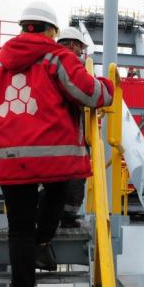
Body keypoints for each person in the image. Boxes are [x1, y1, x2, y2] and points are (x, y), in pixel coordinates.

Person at [0, 1, 113, 287]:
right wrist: (110, 88)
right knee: (56, 195)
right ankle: (44, 241)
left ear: (23, 27)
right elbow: (89, 93)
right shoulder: (57, 57)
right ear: (51, 31)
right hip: (54, 156)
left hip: (9, 158)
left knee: (18, 231)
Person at [57, 27, 89, 228]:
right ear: (71, 45)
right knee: (76, 177)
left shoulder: (44, 62)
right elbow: (88, 93)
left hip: (46, 135)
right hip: (68, 134)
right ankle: (67, 218)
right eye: (79, 48)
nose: (80, 53)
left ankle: (46, 218)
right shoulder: (69, 65)